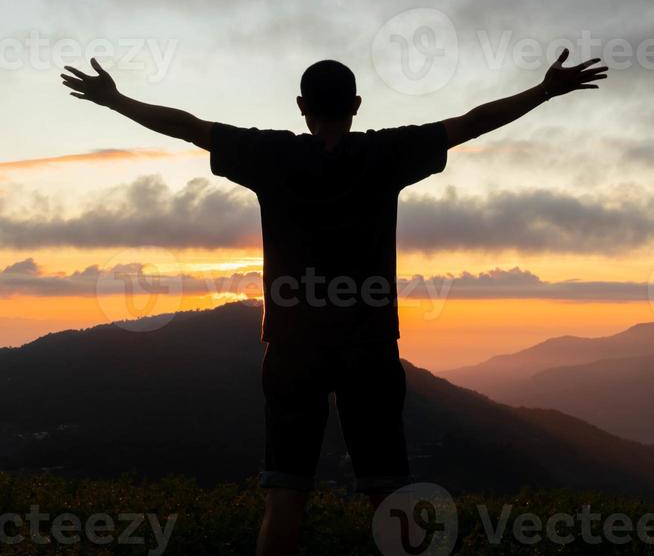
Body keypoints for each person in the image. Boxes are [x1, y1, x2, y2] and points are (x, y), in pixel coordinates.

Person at [61, 47, 607, 556]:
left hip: (293, 346)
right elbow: (470, 123)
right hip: (368, 345)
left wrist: (116, 100)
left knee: (285, 494)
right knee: (389, 491)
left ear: (301, 108)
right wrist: (542, 91)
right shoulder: (386, 153)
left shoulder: (269, 154)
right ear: (356, 106)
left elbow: (187, 127)